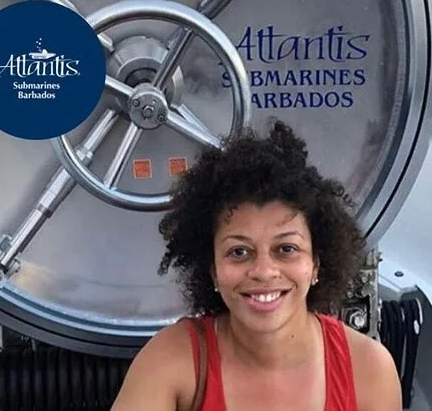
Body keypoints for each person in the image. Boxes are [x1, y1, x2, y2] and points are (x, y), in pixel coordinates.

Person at [111, 120, 402, 410]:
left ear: (316, 263)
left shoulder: (369, 370)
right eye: (239, 252)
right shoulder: (171, 360)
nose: (263, 271)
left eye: (286, 249)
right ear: (213, 270)